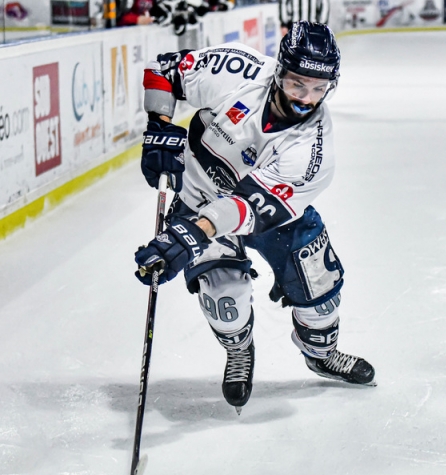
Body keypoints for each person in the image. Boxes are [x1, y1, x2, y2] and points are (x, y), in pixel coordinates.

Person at [133, 22, 376, 412]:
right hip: (199, 198)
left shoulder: (312, 153)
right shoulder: (238, 69)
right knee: (224, 303)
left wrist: (191, 234)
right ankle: (239, 351)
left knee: (320, 295)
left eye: (319, 88)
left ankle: (321, 354)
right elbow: (164, 71)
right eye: (298, 83)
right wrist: (158, 126)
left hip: (273, 217)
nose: (306, 98)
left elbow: (246, 208)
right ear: (279, 71)